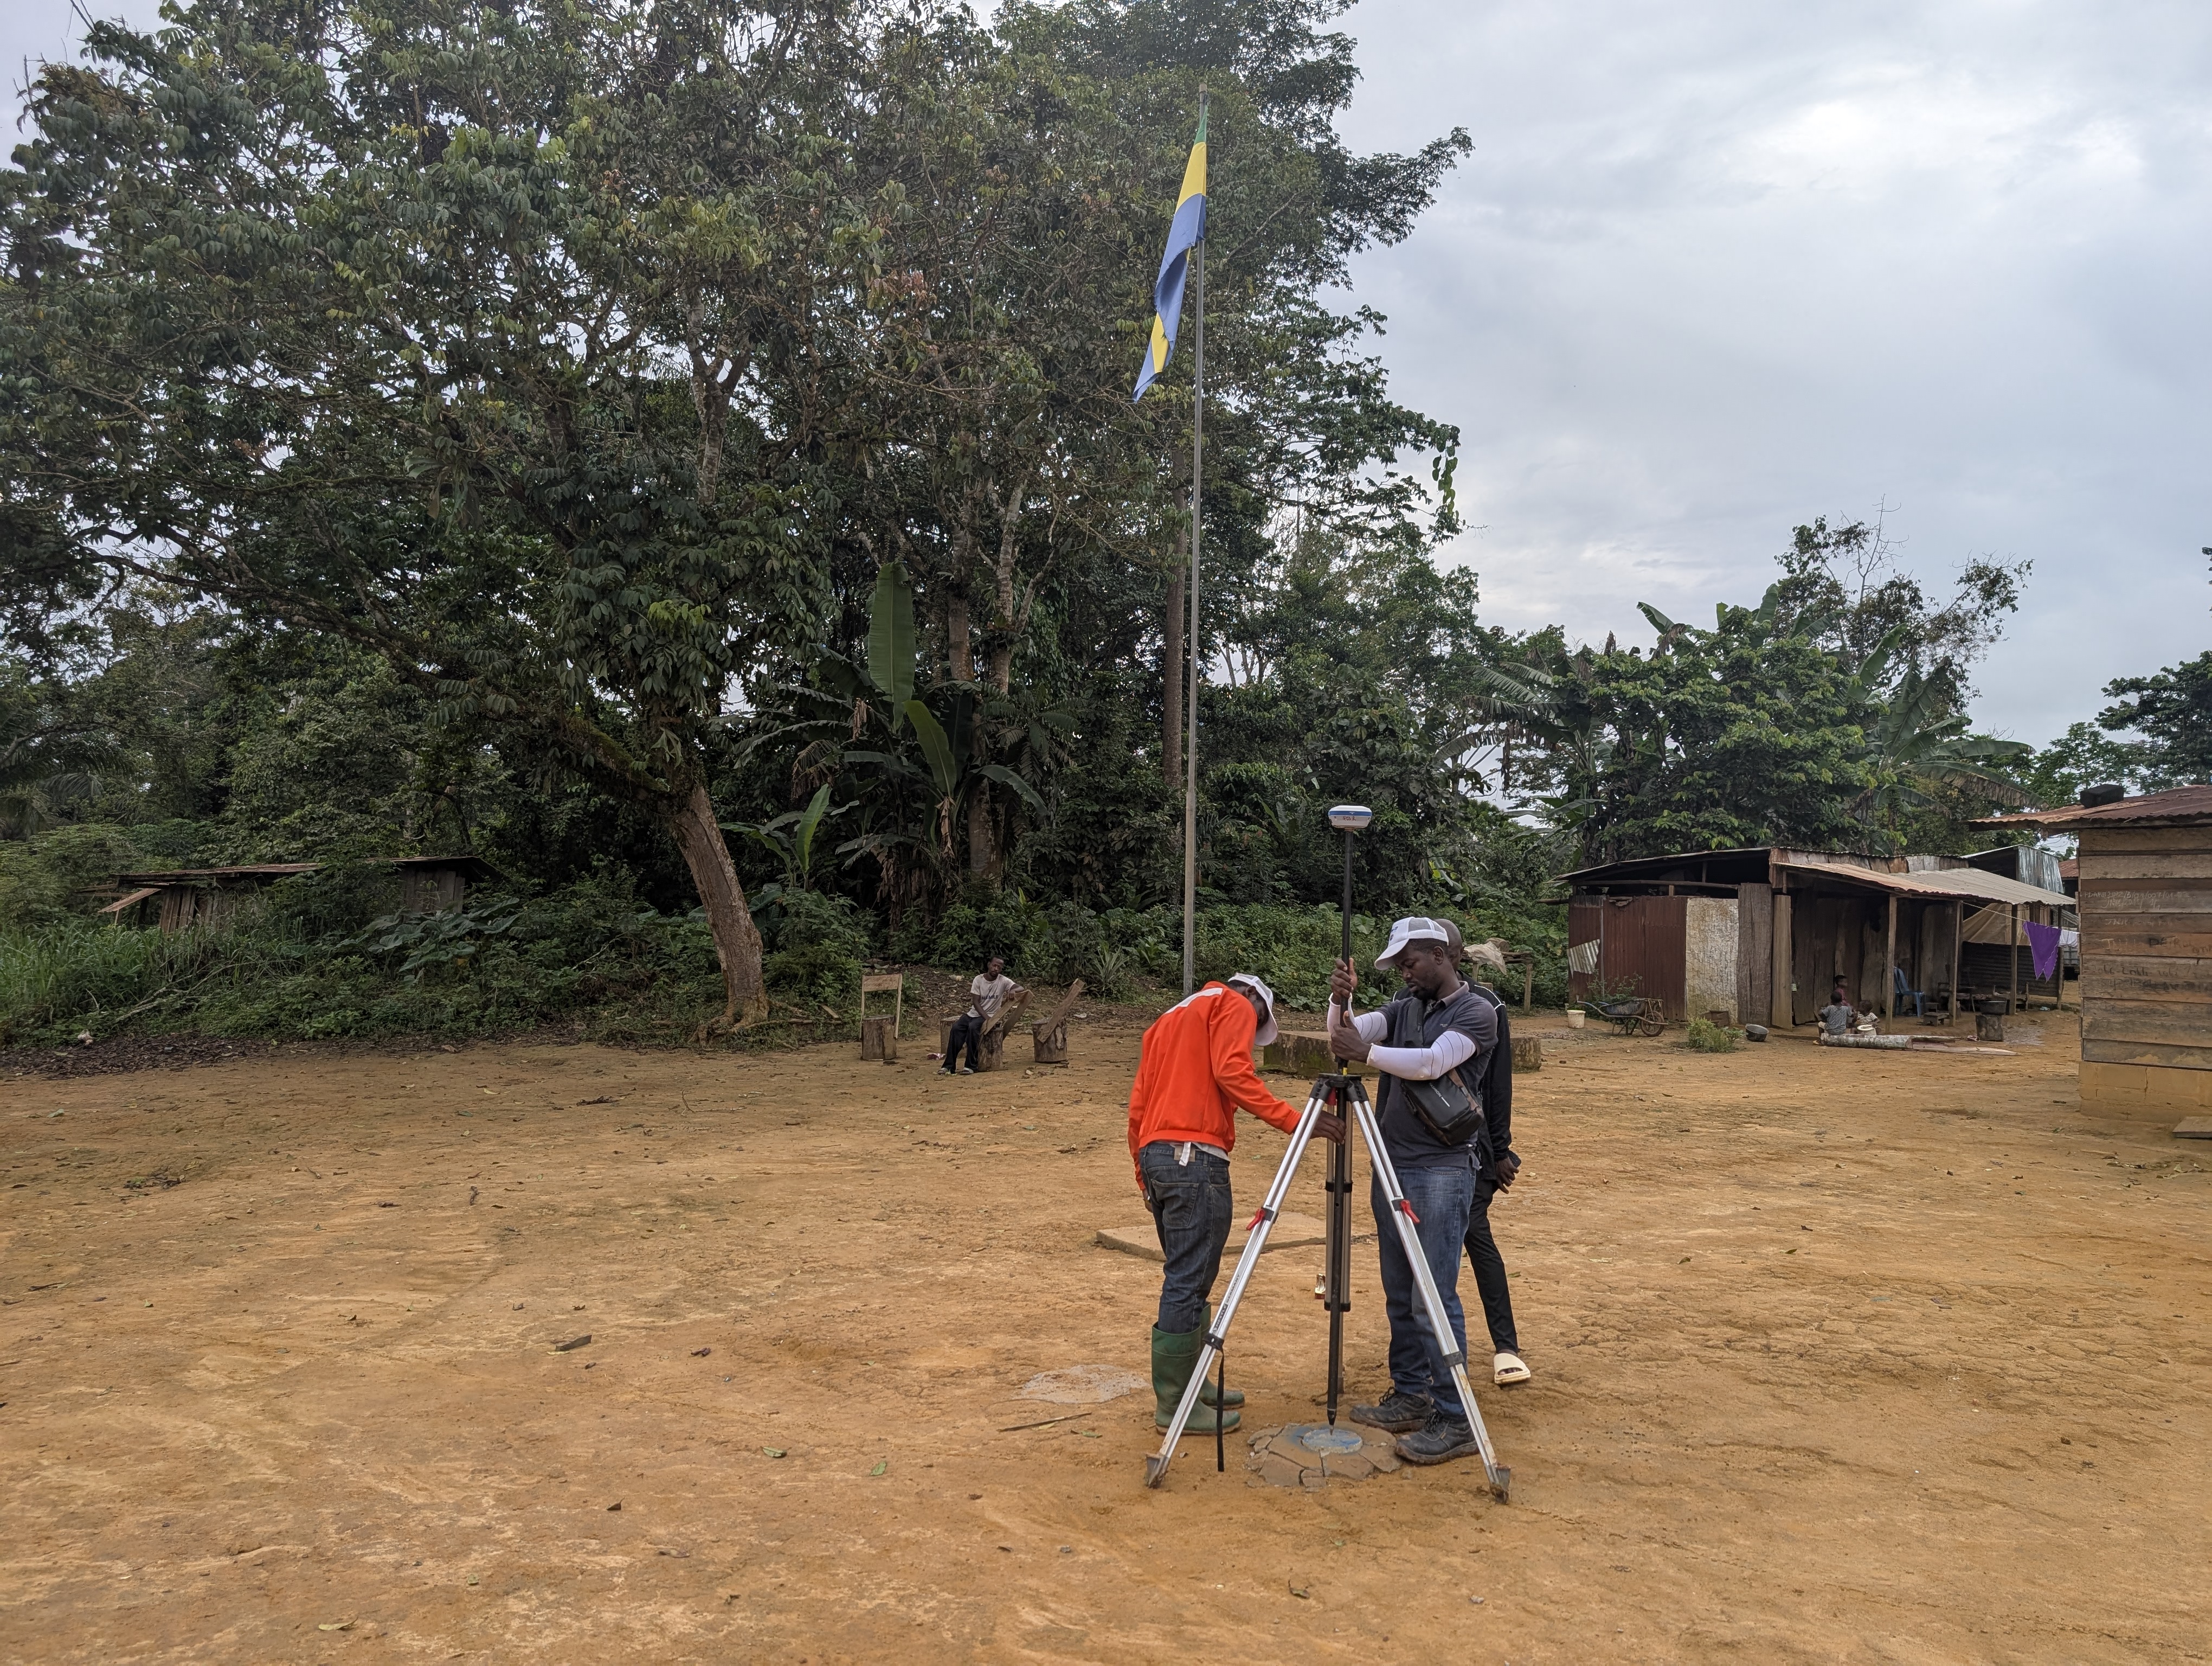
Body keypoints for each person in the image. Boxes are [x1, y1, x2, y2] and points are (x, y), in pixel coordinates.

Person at [1127, 973, 1344, 1434]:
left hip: (1159, 1154)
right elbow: (1232, 1072)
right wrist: (1296, 1120)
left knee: (1190, 1274)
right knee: (1188, 1279)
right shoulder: (1235, 1005)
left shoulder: (1168, 1018)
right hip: (1195, 1158)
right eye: (1258, 1019)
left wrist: (1142, 1172)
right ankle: (1175, 1406)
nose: (1251, 1027)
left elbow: (1139, 1105)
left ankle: (1190, 1384)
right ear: (1253, 1000)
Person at [1327, 916, 1497, 1465]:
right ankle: (1411, 1393)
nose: (1403, 969)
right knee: (1401, 1290)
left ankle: (1454, 1415)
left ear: (1442, 954)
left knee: (1434, 1296)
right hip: (1392, 1163)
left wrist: (1365, 1054)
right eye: (1399, 962)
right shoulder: (1406, 1006)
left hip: (1441, 1171)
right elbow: (1350, 1035)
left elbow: (1430, 1064)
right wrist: (1339, 1002)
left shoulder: (1477, 1012)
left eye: (1411, 960)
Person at [1439, 919, 1531, 1388]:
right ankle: (1438, 1349)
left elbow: (1498, 1087)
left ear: (1455, 957)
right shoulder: (1410, 1006)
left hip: (1474, 1151)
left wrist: (1502, 1150)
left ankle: (1505, 1348)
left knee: (1474, 1235)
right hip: (1424, 1156)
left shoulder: (1486, 1006)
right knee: (1436, 1248)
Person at [940, 956, 1023, 1075]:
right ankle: (948, 1066)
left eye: (999, 967)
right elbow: (976, 1002)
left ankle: (970, 1066)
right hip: (975, 1013)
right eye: (994, 965)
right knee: (956, 1029)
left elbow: (1021, 987)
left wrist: (1013, 990)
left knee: (973, 1029)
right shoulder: (978, 980)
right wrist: (987, 1019)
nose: (996, 969)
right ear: (989, 965)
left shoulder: (1003, 981)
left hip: (990, 1015)